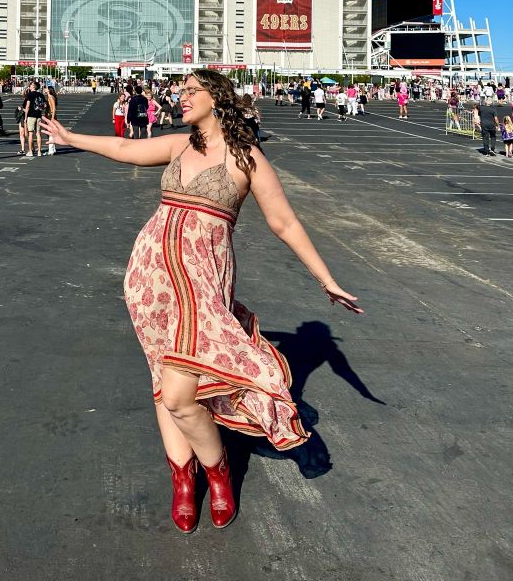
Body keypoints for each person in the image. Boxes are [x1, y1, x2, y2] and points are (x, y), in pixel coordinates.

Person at [41, 69, 361, 534]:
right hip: (151, 277)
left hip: (202, 285)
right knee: (163, 382)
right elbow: (125, 148)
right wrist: (72, 137)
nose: (181, 96)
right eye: (182, 90)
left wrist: (326, 279)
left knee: (178, 393)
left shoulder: (248, 158)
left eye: (192, 90)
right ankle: (184, 480)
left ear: (218, 98)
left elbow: (285, 223)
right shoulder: (178, 145)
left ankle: (217, 471)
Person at [23, 80, 47, 157]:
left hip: (31, 115)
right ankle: (39, 151)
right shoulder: (41, 95)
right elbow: (45, 105)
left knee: (30, 134)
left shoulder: (29, 95)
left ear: (30, 87)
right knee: (38, 133)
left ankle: (31, 151)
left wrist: (25, 117)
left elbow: (28, 106)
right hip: (38, 115)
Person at [45, 85, 58, 154]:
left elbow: (53, 108)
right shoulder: (50, 96)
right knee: (50, 132)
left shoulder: (50, 97)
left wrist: (52, 118)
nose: (45, 89)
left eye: (46, 88)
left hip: (50, 116)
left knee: (50, 133)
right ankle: (53, 149)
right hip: (50, 115)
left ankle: (51, 150)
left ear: (49, 90)